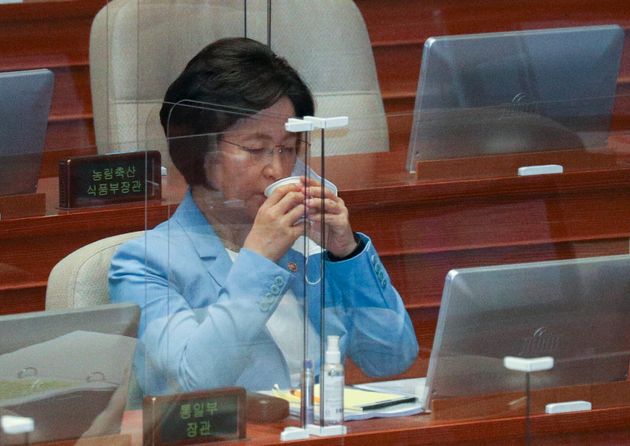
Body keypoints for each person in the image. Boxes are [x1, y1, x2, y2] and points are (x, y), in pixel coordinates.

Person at [109, 37, 418, 396]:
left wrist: (346, 254)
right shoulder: (146, 264)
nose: (277, 169)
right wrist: (258, 259)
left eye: (288, 149)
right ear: (198, 151)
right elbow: (191, 385)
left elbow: (391, 358)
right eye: (256, 150)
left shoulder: (309, 247)